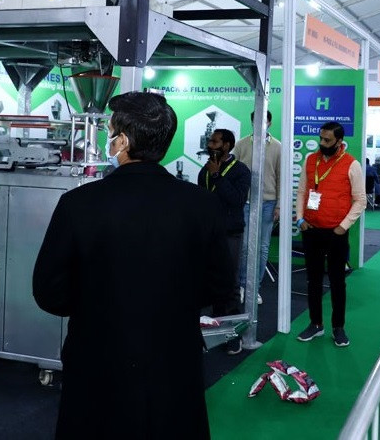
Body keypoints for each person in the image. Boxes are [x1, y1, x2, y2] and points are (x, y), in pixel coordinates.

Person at [33, 92, 234, 440]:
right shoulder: (202, 205)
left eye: (109, 132)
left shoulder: (78, 204)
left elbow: (49, 291)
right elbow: (221, 285)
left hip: (97, 357)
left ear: (122, 141)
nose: (107, 139)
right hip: (174, 357)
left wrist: (95, 305)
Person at [295, 121, 367, 347]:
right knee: (313, 280)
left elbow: (360, 200)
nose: (322, 143)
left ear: (339, 141)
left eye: (327, 140)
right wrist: (300, 219)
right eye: (321, 138)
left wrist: (343, 226)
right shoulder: (311, 160)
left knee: (337, 281)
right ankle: (316, 324)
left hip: (336, 233)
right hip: (311, 230)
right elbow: (302, 191)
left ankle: (338, 327)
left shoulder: (351, 164)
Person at [198, 128, 251, 354]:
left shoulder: (240, 170)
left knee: (229, 283)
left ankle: (233, 335)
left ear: (227, 145)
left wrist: (218, 176)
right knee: (211, 281)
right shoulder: (205, 170)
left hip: (230, 233)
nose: (210, 145)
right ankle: (213, 330)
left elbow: (237, 200)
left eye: (215, 142)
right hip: (208, 232)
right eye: (210, 141)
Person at [233, 110, 281, 307]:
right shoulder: (241, 144)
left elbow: (280, 177)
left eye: (264, 121)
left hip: (268, 203)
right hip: (245, 202)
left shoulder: (278, 147)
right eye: (256, 121)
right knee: (244, 247)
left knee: (262, 248)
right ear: (252, 122)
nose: (260, 124)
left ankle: (255, 288)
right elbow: (233, 172)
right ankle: (242, 286)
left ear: (270, 123)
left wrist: (279, 205)